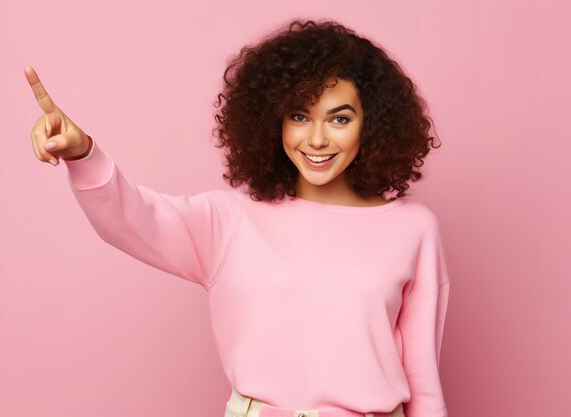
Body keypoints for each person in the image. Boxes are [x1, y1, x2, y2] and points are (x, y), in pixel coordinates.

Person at [25, 18, 450, 417]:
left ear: (370, 124)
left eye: (339, 118)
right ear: (274, 120)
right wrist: (83, 154)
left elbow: (423, 380)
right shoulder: (230, 220)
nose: (317, 138)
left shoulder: (413, 229)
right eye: (299, 116)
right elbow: (131, 217)